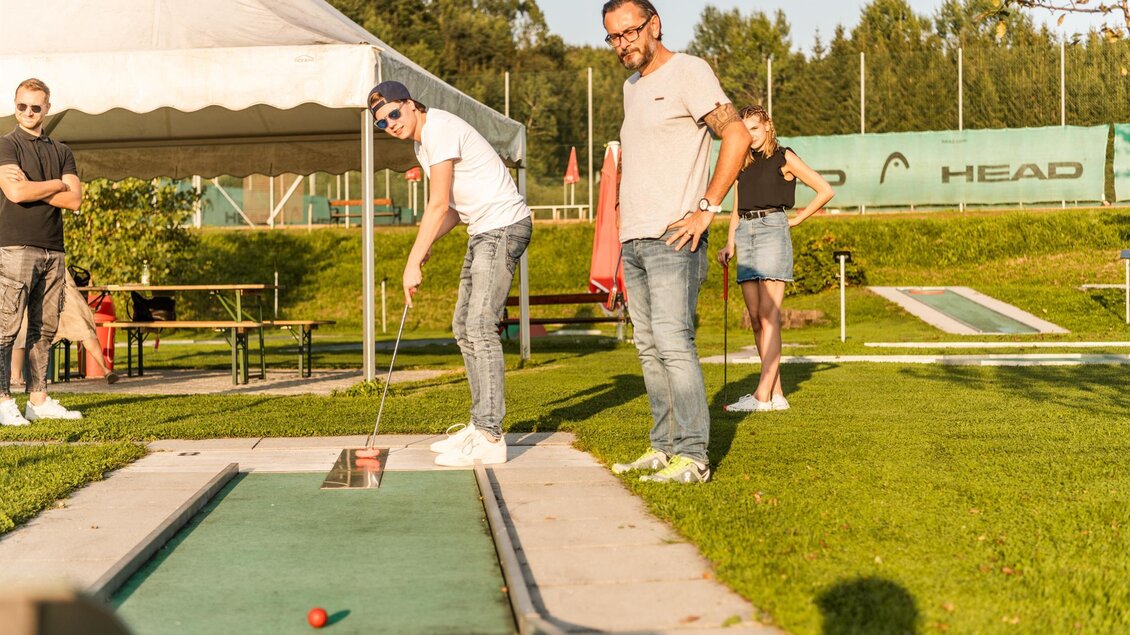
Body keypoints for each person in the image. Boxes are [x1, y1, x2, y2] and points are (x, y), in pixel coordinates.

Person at [601, 0, 752, 484]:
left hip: (674, 235)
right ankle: (662, 447)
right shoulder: (631, 87)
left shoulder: (690, 71)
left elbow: (736, 136)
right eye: (614, 37)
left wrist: (706, 209)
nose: (623, 44)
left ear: (655, 24)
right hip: (635, 238)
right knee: (647, 347)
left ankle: (694, 455)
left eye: (629, 32)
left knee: (673, 343)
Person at [368, 80, 532, 467]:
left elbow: (438, 203)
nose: (390, 124)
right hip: (482, 229)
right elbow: (455, 209)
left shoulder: (438, 129)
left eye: (393, 114)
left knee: (479, 325)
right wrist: (427, 248)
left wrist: (412, 259)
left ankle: (491, 435)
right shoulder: (422, 143)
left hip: (502, 227)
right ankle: (479, 427)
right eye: (381, 123)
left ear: (410, 105)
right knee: (463, 325)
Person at [717, 105, 835, 412]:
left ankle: (761, 395)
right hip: (745, 232)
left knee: (770, 317)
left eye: (754, 129)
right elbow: (736, 206)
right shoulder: (743, 161)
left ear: (768, 126)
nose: (750, 136)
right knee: (756, 319)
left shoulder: (785, 156)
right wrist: (730, 242)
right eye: (745, 131)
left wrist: (796, 220)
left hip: (772, 230)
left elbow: (824, 190)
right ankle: (777, 394)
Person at [0, 78, 83, 426]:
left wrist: (33, 186)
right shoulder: (5, 145)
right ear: (15, 105)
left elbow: (75, 200)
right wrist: (54, 184)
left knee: (44, 329)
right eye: (22, 106)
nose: (29, 112)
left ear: (47, 107)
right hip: (14, 245)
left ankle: (38, 399)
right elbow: (15, 194)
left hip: (54, 248)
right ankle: (3, 401)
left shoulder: (62, 150)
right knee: (5, 327)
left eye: (36, 107)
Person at [11, 268, 119, 386]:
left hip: (46, 279)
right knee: (82, 327)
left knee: (23, 327)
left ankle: (16, 376)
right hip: (54, 280)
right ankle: (105, 369)